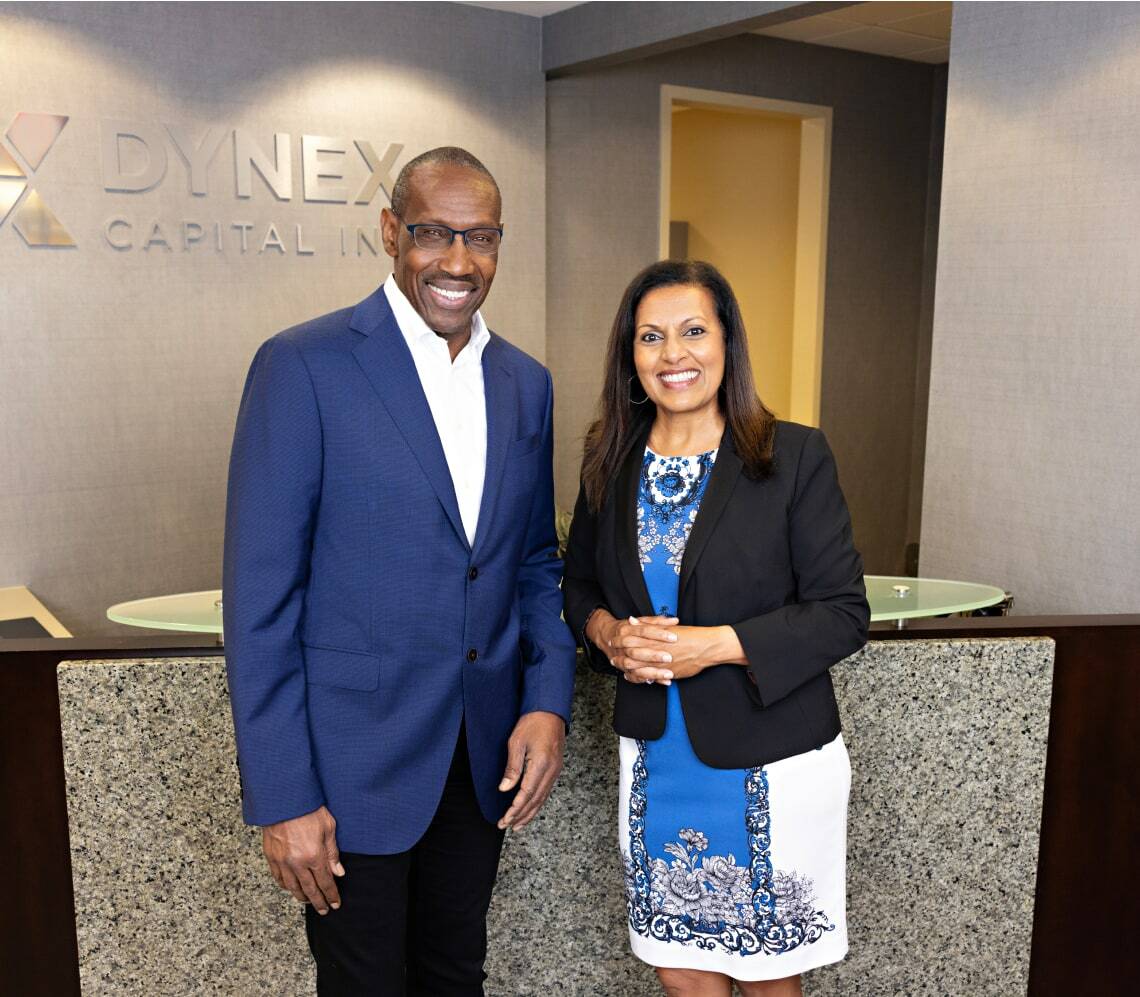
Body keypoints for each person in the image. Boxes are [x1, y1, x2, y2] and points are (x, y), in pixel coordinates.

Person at [223, 146, 577, 996]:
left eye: (481, 237)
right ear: (391, 232)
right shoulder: (302, 366)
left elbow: (535, 562)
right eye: (433, 233)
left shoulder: (525, 384)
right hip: (351, 771)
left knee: (457, 975)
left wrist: (546, 700)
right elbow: (261, 601)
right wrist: (283, 794)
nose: (458, 261)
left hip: (479, 761)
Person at [562, 260, 869, 997]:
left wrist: (717, 646)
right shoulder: (610, 459)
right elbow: (576, 586)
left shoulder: (793, 456)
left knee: (766, 976)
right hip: (657, 761)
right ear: (630, 355)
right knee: (680, 970)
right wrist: (605, 633)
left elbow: (842, 611)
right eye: (651, 337)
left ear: (728, 341)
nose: (674, 354)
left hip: (773, 758)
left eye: (694, 331)